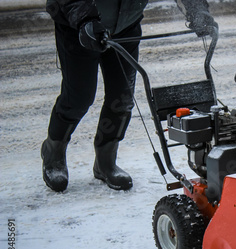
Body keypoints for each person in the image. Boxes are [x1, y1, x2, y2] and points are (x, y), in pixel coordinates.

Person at [42, 0, 217, 192]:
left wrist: (197, 10)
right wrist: (85, 18)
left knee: (122, 98)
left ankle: (105, 161)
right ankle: (54, 151)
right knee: (79, 97)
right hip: (78, 26)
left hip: (126, 25)